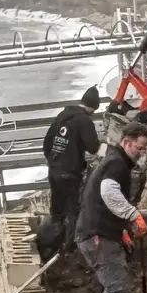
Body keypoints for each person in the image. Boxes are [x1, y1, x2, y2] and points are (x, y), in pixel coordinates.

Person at [75, 124, 147, 293]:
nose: (142, 152)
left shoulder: (114, 162)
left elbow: (101, 200)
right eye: (140, 147)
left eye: (145, 149)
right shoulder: (117, 165)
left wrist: (120, 231)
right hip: (97, 237)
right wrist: (132, 215)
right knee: (119, 292)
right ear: (127, 142)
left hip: (99, 233)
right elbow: (108, 193)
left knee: (112, 291)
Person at [42, 85, 101, 242]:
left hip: (54, 170)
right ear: (94, 108)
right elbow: (93, 147)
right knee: (73, 210)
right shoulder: (84, 121)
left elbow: (47, 142)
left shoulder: (62, 116)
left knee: (57, 210)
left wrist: (53, 161)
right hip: (69, 172)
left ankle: (53, 241)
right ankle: (71, 246)